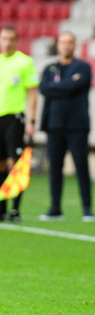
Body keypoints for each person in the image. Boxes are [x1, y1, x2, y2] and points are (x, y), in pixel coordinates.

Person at [39, 32, 95, 222]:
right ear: (57, 45)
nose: (66, 46)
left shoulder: (84, 67)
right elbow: (44, 89)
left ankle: (87, 208)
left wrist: (59, 88)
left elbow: (72, 86)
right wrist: (67, 85)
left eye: (70, 42)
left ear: (75, 45)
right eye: (63, 42)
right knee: (55, 167)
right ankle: (55, 207)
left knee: (81, 167)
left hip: (76, 125)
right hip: (54, 125)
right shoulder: (50, 68)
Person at [0, 26, 38, 222]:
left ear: (16, 41)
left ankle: (15, 209)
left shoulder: (24, 62)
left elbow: (32, 93)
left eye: (11, 39)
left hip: (14, 118)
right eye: (4, 38)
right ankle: (1, 208)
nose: (7, 43)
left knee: (14, 163)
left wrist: (31, 120)